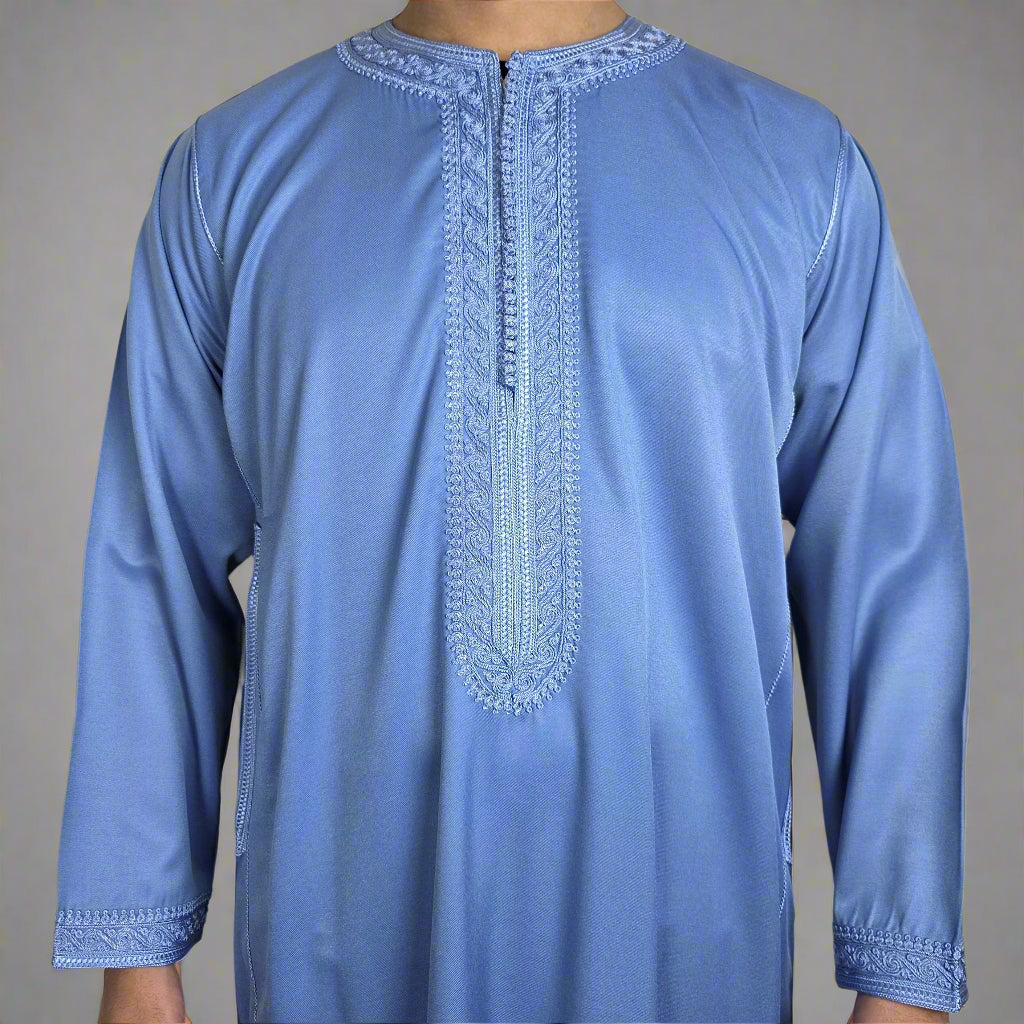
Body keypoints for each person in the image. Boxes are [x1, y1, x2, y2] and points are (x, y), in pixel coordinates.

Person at [51, 3, 970, 1022]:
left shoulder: (796, 171)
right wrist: (137, 956)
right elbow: (153, 562)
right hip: (344, 941)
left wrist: (903, 976)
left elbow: (889, 568)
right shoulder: (231, 177)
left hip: (683, 938)